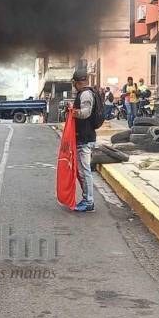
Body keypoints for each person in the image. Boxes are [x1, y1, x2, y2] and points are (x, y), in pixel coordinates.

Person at [70, 69, 97, 212]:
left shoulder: (85, 94)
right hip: (86, 136)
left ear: (76, 82)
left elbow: (85, 113)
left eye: (74, 83)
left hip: (85, 138)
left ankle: (88, 202)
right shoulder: (88, 92)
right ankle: (87, 199)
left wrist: (73, 112)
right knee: (83, 171)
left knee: (84, 171)